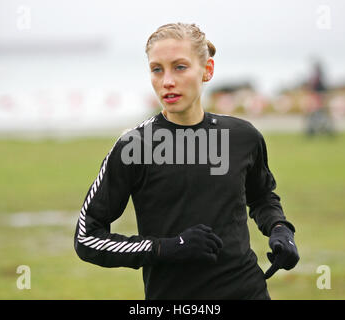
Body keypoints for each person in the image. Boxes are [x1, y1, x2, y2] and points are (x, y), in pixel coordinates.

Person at [74, 23, 299, 300]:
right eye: (157, 69)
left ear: (207, 71)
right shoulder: (134, 147)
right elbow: (87, 238)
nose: (167, 80)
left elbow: (262, 197)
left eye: (179, 67)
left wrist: (279, 229)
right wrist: (166, 248)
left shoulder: (243, 137)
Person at [305, 61, 334, 136]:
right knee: (317, 118)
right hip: (318, 102)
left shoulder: (317, 79)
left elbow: (317, 91)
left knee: (317, 118)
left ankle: (314, 132)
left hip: (318, 102)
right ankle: (314, 132)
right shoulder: (318, 79)